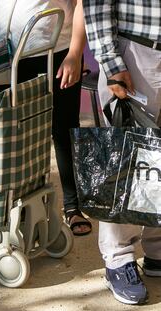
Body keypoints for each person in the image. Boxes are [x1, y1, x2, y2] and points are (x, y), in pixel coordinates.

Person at [0, 0, 91, 236]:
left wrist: (75, 52)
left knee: (64, 130)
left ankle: (73, 206)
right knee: (9, 133)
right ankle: (12, 206)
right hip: (6, 55)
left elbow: (82, 4)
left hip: (58, 50)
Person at [83, 0, 161, 305]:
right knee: (124, 159)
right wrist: (112, 62)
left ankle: (156, 250)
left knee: (157, 160)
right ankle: (118, 259)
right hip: (135, 51)